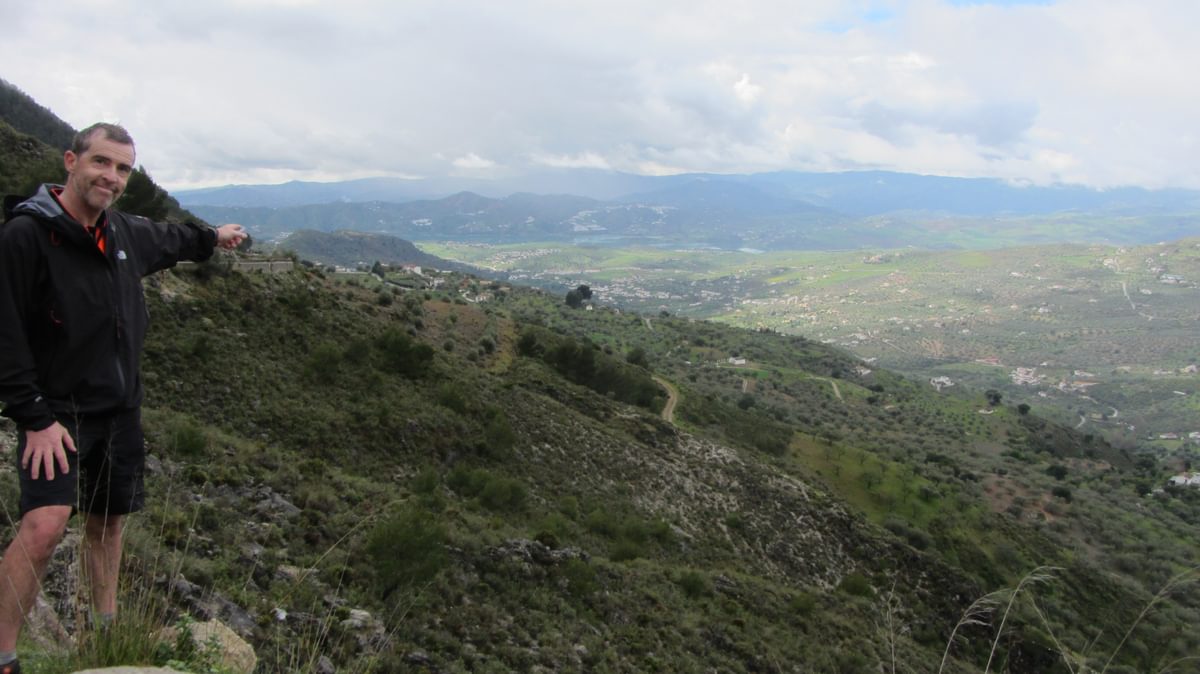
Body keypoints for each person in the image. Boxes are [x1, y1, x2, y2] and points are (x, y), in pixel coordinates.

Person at [0, 122, 247, 673]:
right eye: (101, 163)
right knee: (44, 526)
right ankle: (3, 654)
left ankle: (104, 635)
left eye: (123, 169)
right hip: (57, 414)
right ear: (71, 161)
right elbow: (5, 335)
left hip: (120, 408)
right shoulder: (25, 236)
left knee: (108, 522)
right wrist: (35, 417)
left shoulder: (122, 232)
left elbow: (173, 238)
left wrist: (214, 237)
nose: (111, 177)